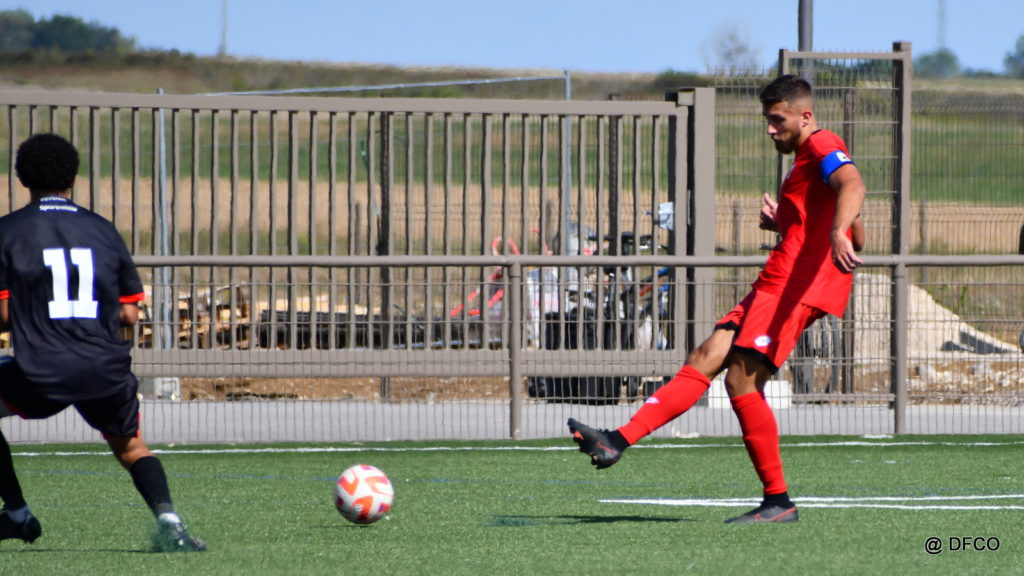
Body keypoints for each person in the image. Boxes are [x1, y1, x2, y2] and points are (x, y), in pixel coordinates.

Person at [568, 74, 866, 524]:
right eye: (767, 120)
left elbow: (854, 185)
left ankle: (778, 501)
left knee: (741, 382)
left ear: (805, 116)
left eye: (777, 119)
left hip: (795, 287)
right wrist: (789, 223)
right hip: (775, 282)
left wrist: (836, 230)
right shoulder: (804, 161)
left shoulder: (823, 143)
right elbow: (854, 228)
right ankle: (616, 441)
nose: (770, 129)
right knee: (705, 357)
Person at [0, 133, 205, 551]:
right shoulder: (102, 229)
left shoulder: (8, 231)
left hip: (42, 369)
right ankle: (171, 524)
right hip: (103, 367)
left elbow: (4, 314)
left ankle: (17, 514)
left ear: (21, 177)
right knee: (133, 448)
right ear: (73, 178)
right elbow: (129, 314)